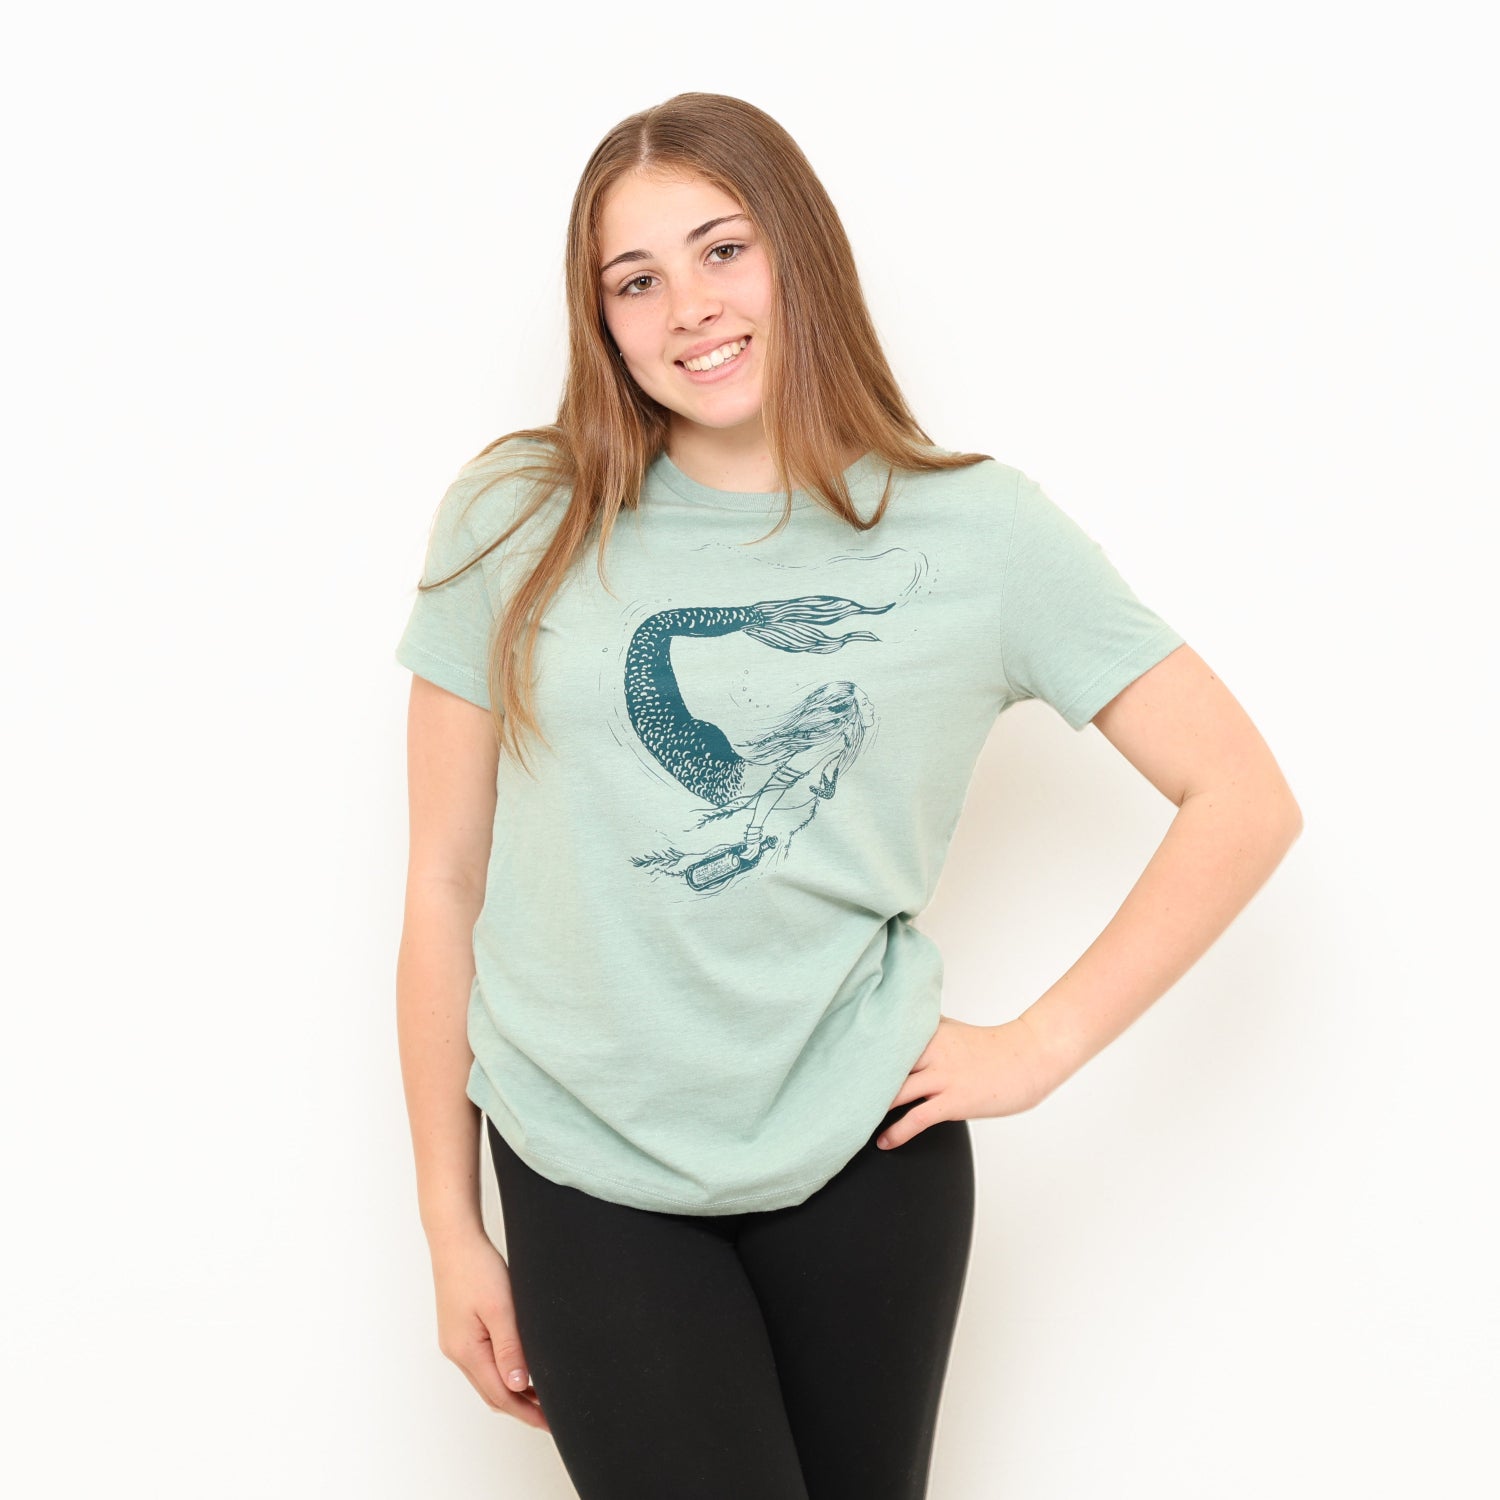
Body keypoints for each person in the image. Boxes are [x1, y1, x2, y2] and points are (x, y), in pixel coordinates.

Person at [393, 92, 1303, 1500]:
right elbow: (447, 877)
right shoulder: (518, 511)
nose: (689, 308)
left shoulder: (977, 532)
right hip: (583, 1156)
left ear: (798, 252)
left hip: (866, 1155)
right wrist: (451, 1229)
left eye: (723, 250)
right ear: (602, 320)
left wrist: (1040, 1047)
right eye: (635, 281)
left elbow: (1240, 795)